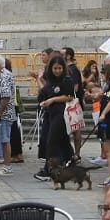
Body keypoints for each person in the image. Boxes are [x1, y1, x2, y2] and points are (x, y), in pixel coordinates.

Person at [34, 53, 78, 181]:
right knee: (63, 141)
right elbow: (45, 92)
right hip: (50, 113)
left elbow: (69, 96)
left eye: (60, 68)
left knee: (52, 141)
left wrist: (53, 100)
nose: (58, 71)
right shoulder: (50, 81)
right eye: (55, 68)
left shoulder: (67, 80)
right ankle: (71, 163)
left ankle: (49, 169)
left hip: (62, 113)